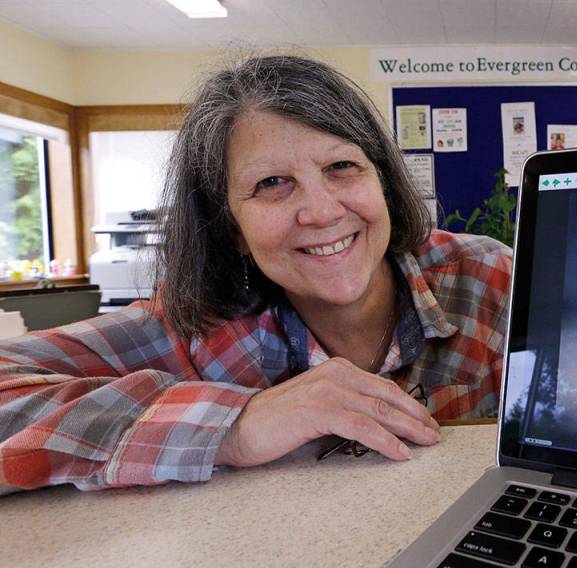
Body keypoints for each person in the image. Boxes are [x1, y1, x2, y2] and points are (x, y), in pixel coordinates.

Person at [0, 55, 512, 494]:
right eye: (272, 183)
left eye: (341, 167)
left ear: (382, 179)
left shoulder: (486, 275)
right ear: (231, 228)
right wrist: (235, 425)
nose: (321, 211)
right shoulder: (191, 328)